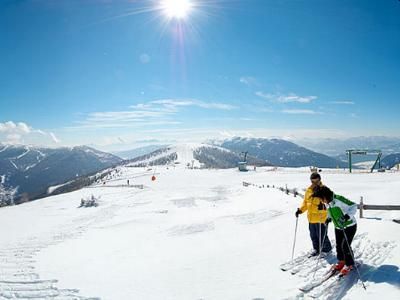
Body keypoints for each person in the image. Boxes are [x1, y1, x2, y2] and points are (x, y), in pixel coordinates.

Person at [313, 185, 357, 276]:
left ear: (325, 196)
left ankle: (349, 264)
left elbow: (353, 206)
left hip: (349, 226)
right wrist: (328, 218)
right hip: (338, 227)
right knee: (338, 245)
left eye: (322, 199)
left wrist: (347, 217)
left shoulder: (338, 199)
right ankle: (342, 261)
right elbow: (330, 212)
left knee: (345, 246)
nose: (322, 201)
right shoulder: (327, 203)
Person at [295, 172, 332, 256]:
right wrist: (300, 210)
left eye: (316, 181)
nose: (315, 183)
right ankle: (316, 249)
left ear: (320, 180)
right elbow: (305, 203)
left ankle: (327, 250)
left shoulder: (324, 189)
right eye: (313, 181)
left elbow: (329, 203)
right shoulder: (309, 190)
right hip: (311, 218)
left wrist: (323, 207)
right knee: (313, 235)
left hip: (321, 218)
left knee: (322, 235)